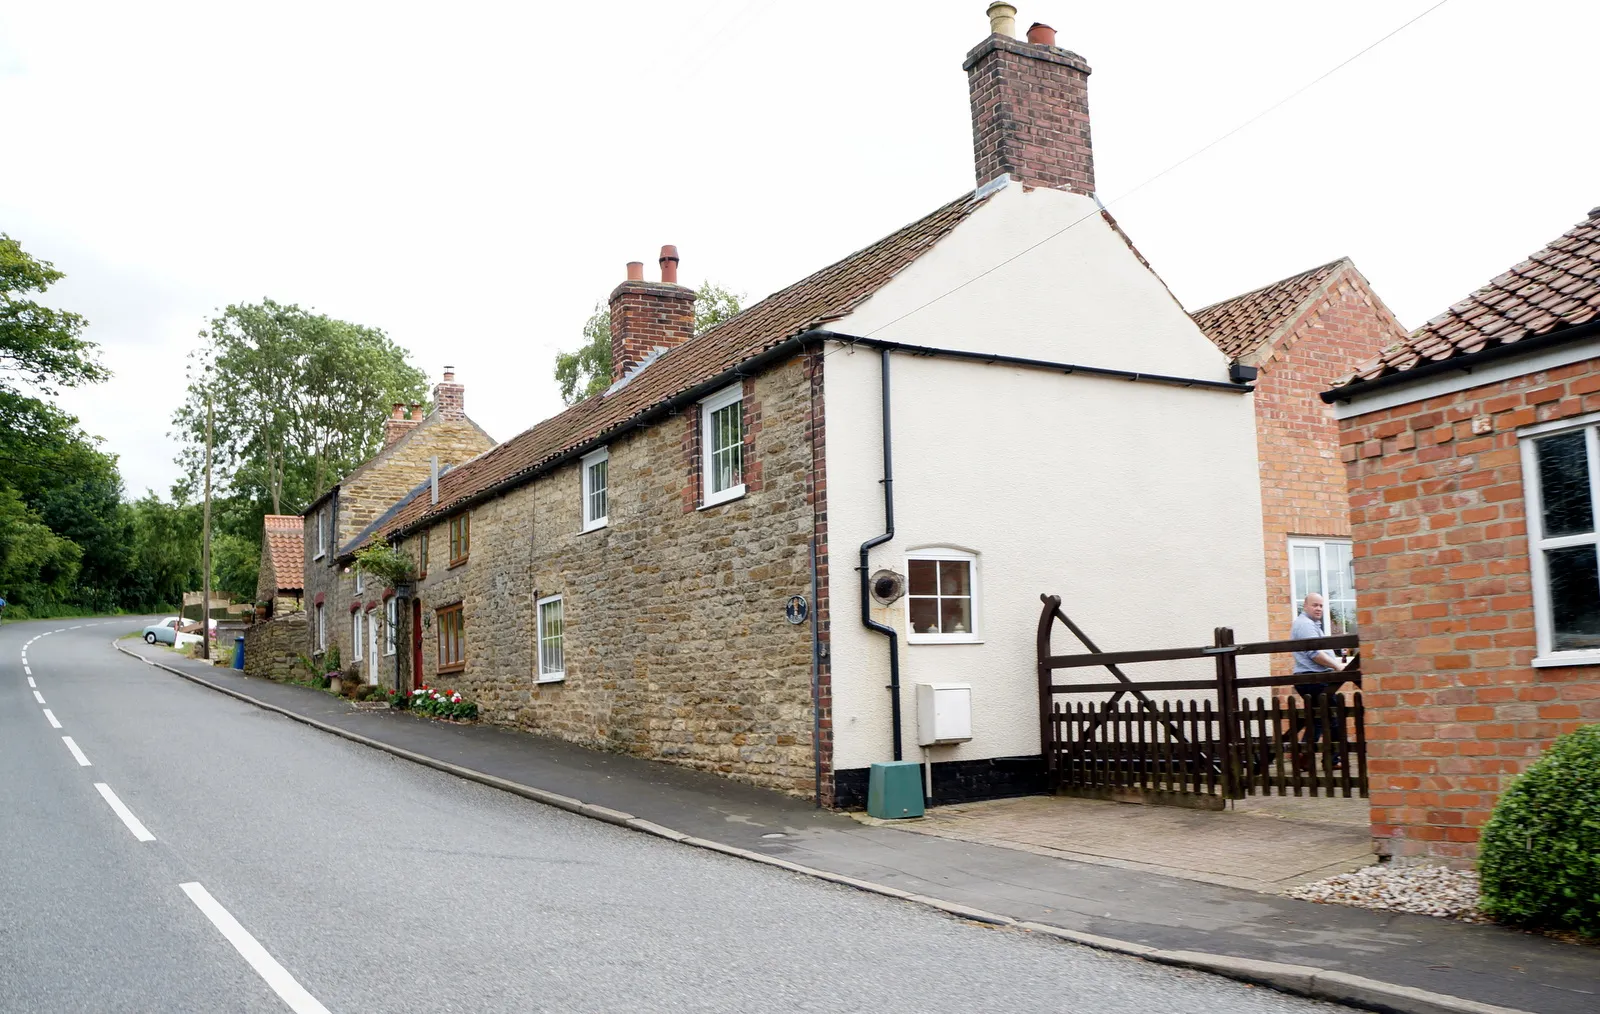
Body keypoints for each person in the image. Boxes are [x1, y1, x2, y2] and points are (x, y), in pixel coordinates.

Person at [1292, 592, 1348, 756]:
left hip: (1312, 678)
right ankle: (1332, 759)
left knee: (1317, 718)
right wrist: (1337, 666)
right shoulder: (1306, 625)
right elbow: (1315, 654)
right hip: (1313, 679)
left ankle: (1304, 755)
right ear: (1305, 606)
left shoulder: (1312, 624)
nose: (1318, 609)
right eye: (1314, 605)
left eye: (1321, 606)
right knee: (1334, 716)